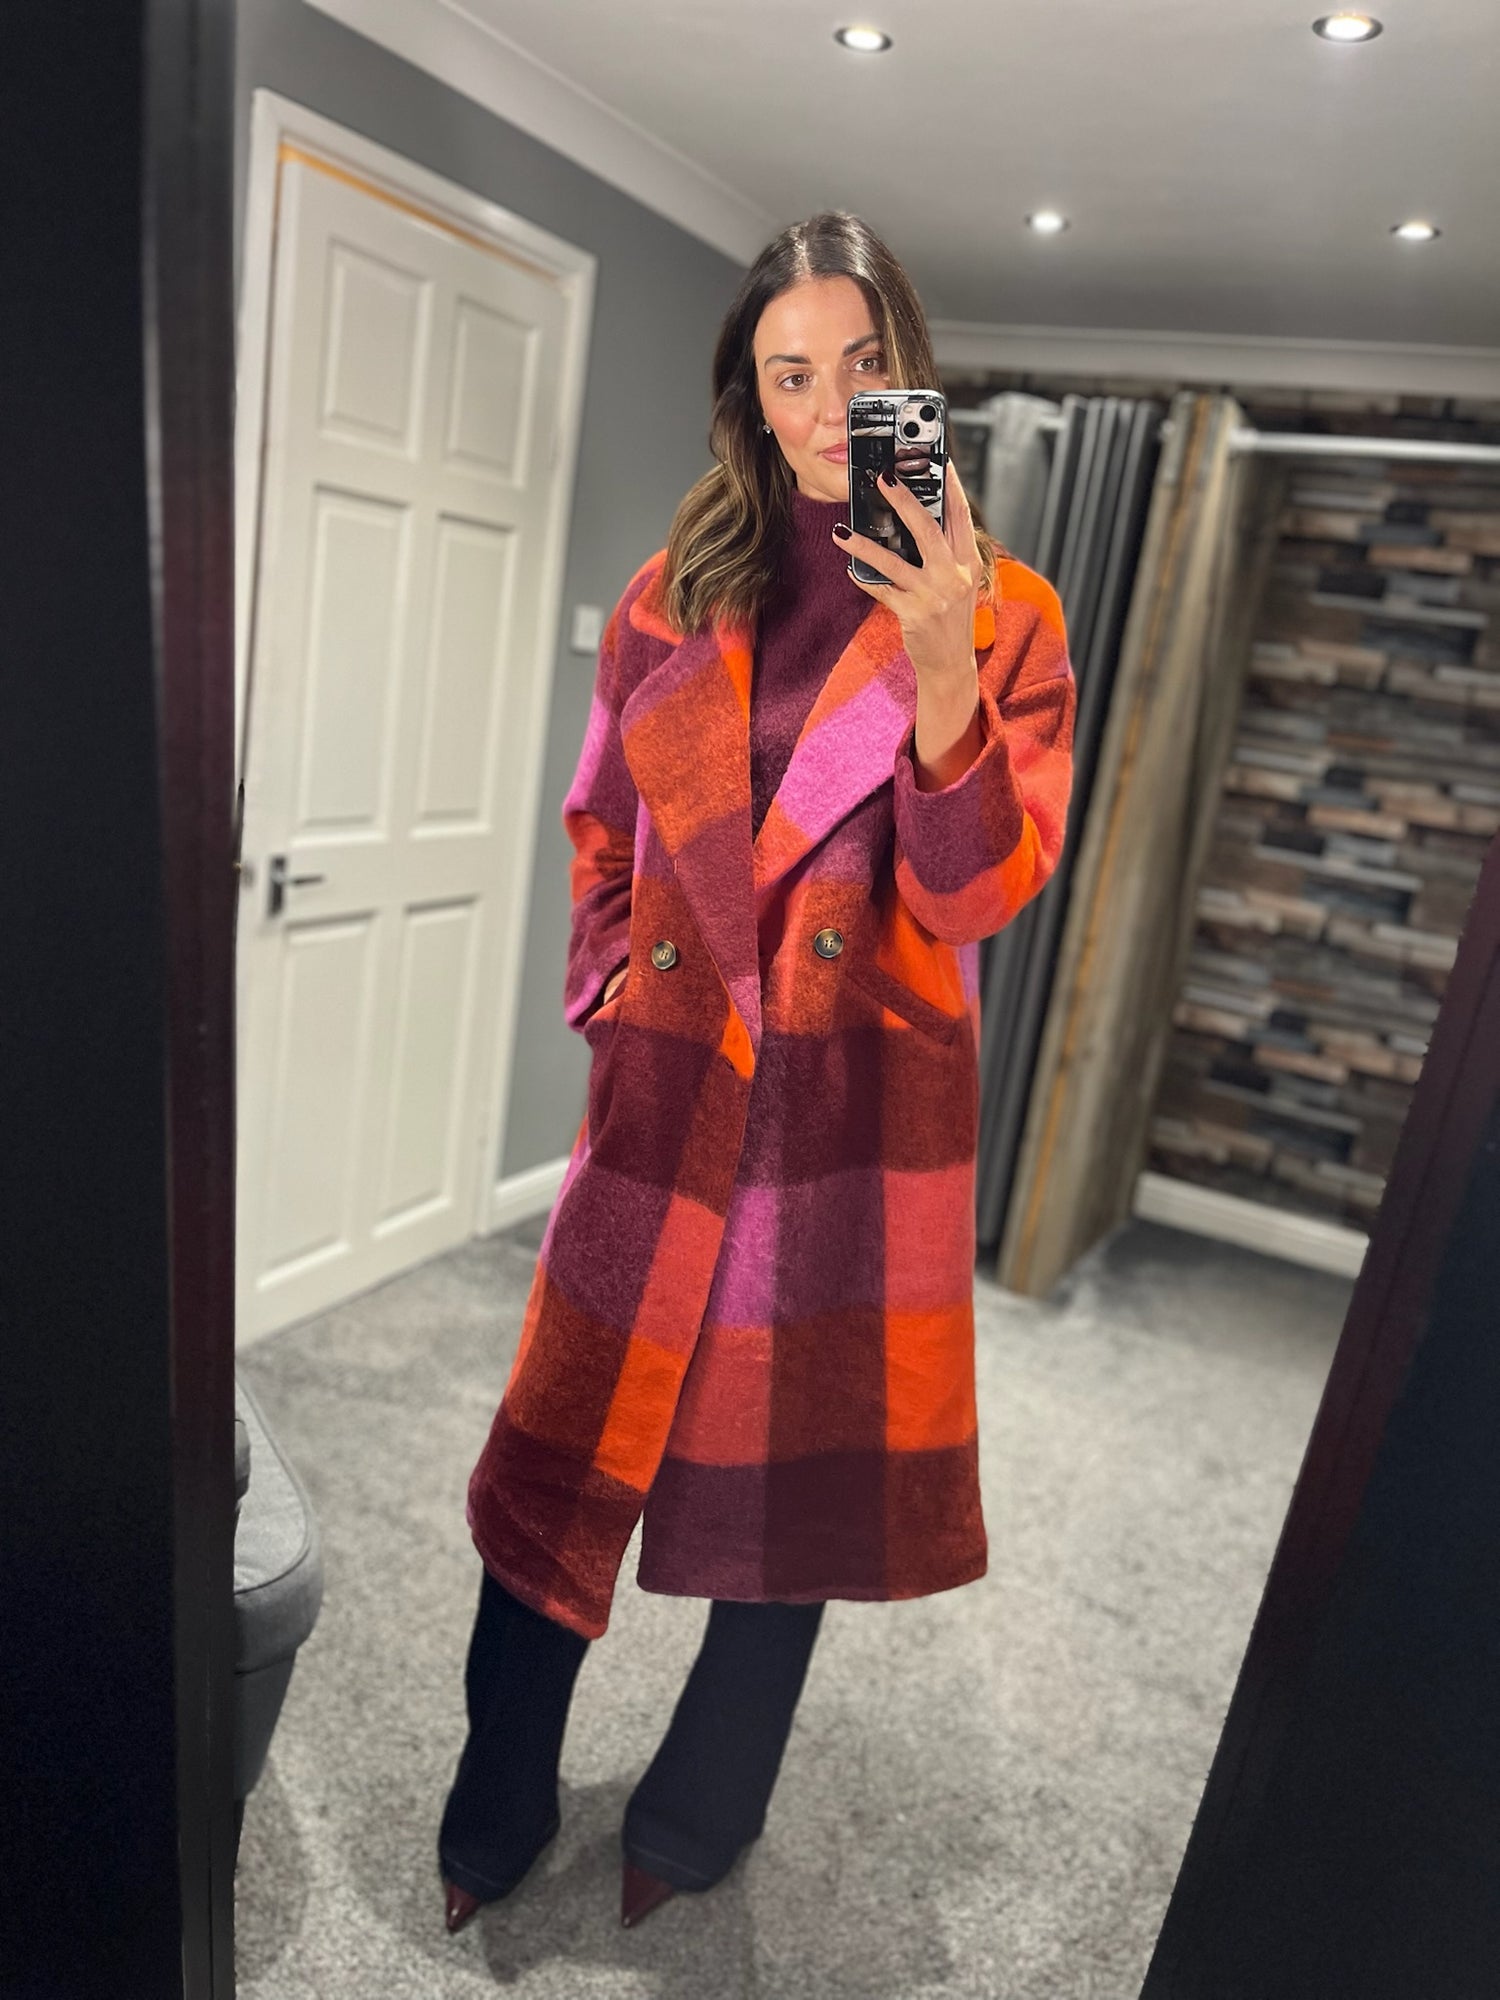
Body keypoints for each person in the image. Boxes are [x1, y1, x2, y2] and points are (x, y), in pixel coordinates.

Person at [438, 210, 1077, 1935]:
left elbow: (976, 894)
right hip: (667, 1092)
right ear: (748, 395)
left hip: (845, 1123)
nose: (828, 407)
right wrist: (605, 989)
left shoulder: (1009, 613)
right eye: (790, 374)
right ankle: (499, 1785)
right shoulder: (673, 591)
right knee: (561, 1450)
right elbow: (602, 820)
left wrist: (938, 659)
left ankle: (701, 1810)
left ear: (911, 372)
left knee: (784, 1502)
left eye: (863, 365)